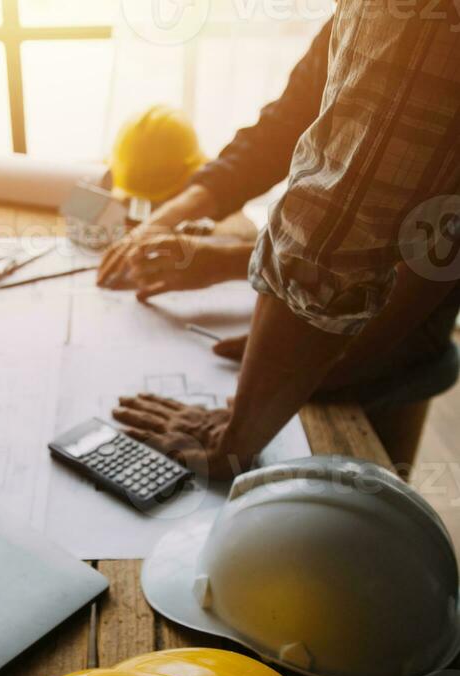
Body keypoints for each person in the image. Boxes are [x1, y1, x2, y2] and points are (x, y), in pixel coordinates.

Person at [99, 2, 460, 477]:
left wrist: (233, 438)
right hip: (407, 285)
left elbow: (338, 237)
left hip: (404, 337)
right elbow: (293, 117)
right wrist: (172, 216)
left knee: (363, 518)